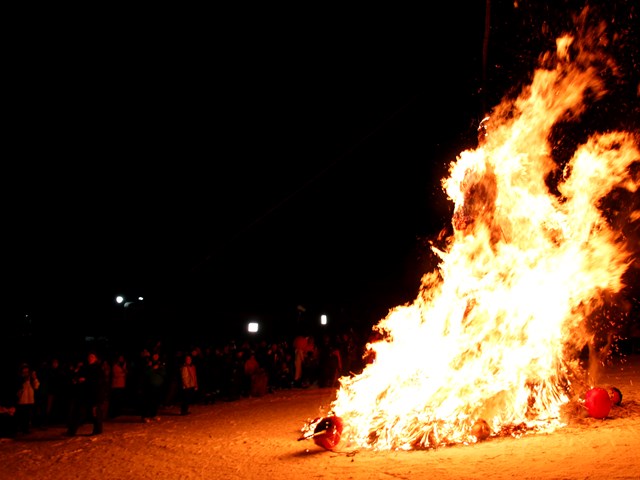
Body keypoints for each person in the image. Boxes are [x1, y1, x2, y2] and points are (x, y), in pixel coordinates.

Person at [66, 352, 109, 436]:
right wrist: (77, 378)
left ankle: (97, 429)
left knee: (95, 413)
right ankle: (71, 431)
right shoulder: (84, 367)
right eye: (89, 356)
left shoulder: (98, 369)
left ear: (96, 358)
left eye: (92, 357)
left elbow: (99, 381)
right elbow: (78, 376)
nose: (90, 358)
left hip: (94, 394)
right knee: (78, 412)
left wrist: (86, 380)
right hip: (84, 394)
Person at [15, 363, 39, 434]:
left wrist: (34, 378)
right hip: (22, 400)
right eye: (24, 371)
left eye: (27, 371)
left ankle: (26, 428)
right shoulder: (20, 378)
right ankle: (21, 428)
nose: (25, 372)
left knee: (28, 415)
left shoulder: (31, 378)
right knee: (22, 415)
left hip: (29, 399)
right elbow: (18, 388)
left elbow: (36, 386)